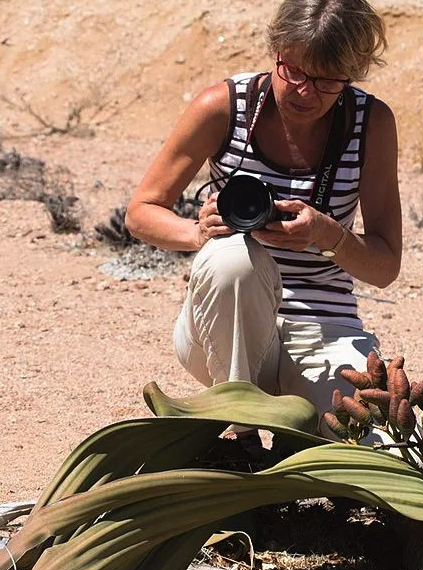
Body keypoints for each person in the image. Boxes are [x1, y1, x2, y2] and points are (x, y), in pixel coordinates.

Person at [125, 0, 401, 436]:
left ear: (354, 72)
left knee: (370, 446)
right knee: (233, 258)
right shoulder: (224, 107)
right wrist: (198, 232)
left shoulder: (371, 123)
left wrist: (331, 236)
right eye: (293, 70)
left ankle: (296, 441)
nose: (305, 92)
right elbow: (141, 212)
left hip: (323, 327)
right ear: (275, 49)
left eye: (327, 80)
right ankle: (241, 432)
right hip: (225, 330)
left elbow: (385, 267)